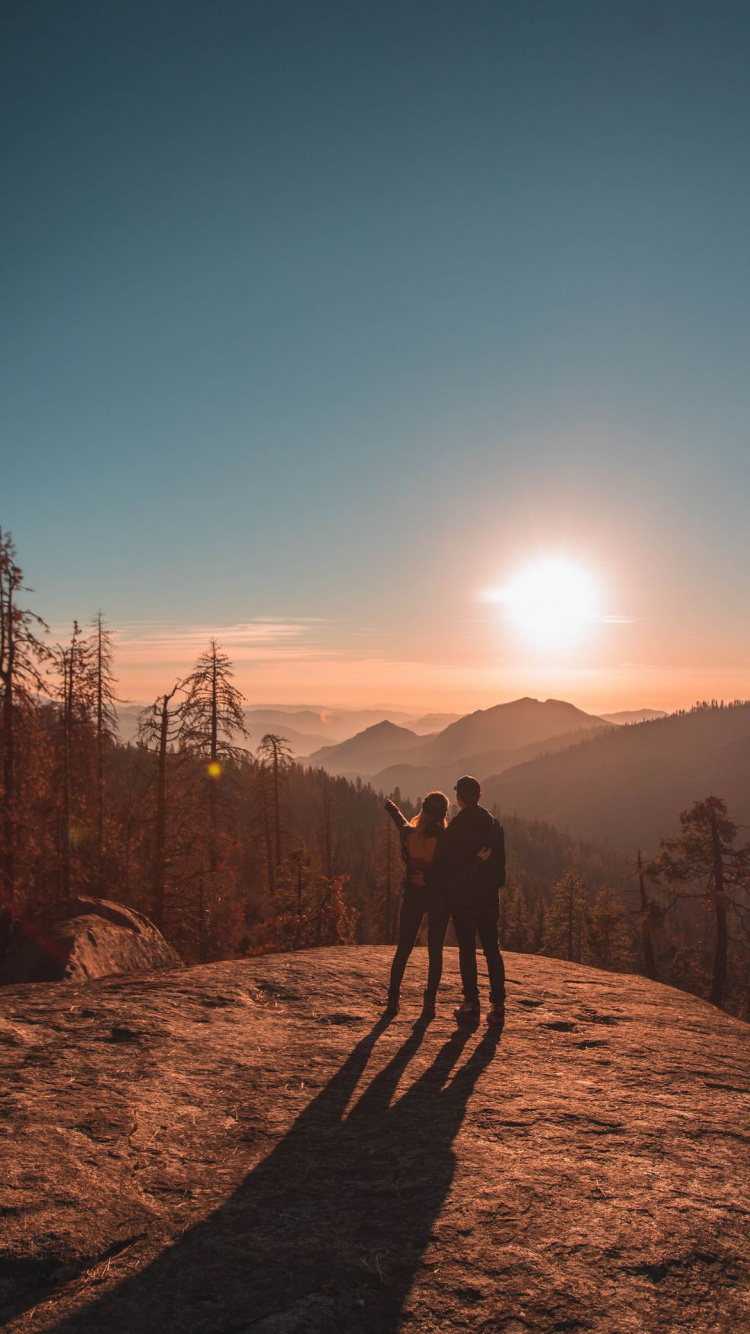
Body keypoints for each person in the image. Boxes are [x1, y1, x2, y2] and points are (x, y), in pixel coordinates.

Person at [427, 775, 506, 1027]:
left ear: (459, 799)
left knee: (467, 951)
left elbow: (447, 873)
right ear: (480, 797)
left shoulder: (455, 828)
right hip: (489, 900)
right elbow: (500, 870)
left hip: (463, 901)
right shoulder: (494, 825)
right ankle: (498, 1006)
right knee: (492, 949)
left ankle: (471, 1005)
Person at [383, 792, 451, 1019]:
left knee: (403, 949)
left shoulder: (409, 834)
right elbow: (449, 870)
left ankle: (393, 1000)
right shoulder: (445, 839)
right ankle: (429, 1002)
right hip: (439, 899)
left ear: (423, 812)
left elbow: (400, 821)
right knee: (435, 951)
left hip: (414, 896)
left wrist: (391, 808)